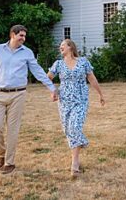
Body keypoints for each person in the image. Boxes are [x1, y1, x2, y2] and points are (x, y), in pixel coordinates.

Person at [0, 24, 57, 174]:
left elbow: (38, 72)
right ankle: (1, 154)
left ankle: (9, 162)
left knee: (13, 130)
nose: (23, 38)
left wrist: (52, 87)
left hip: (18, 94)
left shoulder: (27, 53)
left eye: (24, 35)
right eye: (21, 35)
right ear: (12, 35)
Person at [47, 38, 106, 179]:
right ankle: (80, 145)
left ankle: (75, 163)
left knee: (75, 127)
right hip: (64, 101)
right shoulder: (58, 64)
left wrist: (100, 94)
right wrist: (52, 91)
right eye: (60, 46)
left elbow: (92, 79)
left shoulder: (83, 62)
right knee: (68, 130)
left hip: (80, 100)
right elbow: (47, 78)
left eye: (63, 45)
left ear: (70, 47)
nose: (60, 48)